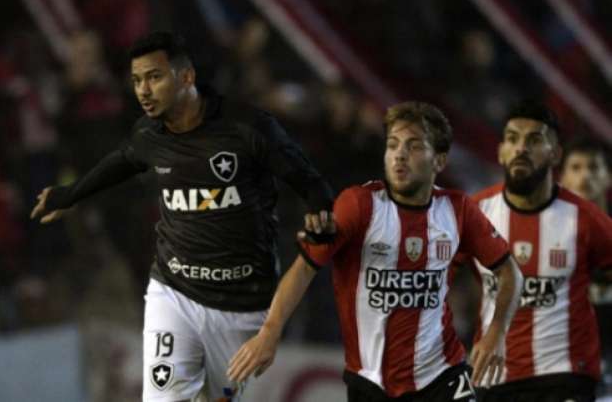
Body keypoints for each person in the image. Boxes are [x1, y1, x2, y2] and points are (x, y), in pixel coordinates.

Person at [30, 31, 334, 402]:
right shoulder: (147, 133)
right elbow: (122, 161)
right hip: (174, 290)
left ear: (186, 77)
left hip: (239, 300)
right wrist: (71, 194)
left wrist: (318, 209)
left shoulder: (247, 127)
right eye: (137, 80)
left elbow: (309, 181)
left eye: (154, 78)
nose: (143, 90)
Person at [227, 101, 522, 402]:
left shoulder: (458, 210)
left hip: (442, 373)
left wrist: (496, 331)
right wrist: (270, 332)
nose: (400, 154)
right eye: (393, 145)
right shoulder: (359, 205)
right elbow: (304, 268)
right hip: (371, 382)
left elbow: (510, 272)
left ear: (439, 161)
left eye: (414, 146)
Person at [460, 102, 612, 401]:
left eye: (533, 140)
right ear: (501, 150)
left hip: (567, 378)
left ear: (555, 154)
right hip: (496, 378)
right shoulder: (473, 213)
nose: (521, 149)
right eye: (513, 139)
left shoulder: (588, 221)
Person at [559, 137, 612, 396]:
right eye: (576, 168)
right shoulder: (544, 240)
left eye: (594, 167)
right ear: (563, 178)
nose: (585, 176)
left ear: (608, 177)